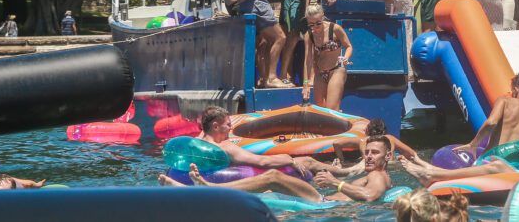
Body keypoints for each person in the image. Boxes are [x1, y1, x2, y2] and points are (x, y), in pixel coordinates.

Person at [169, 135, 393, 203]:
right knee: (269, 189)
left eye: (376, 153)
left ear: (388, 157)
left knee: (273, 177)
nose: (369, 156)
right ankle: (201, 189)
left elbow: (370, 195)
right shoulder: (373, 173)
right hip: (323, 198)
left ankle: (210, 188)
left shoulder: (379, 176)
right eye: (368, 151)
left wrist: (337, 182)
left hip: (322, 203)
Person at [159, 106, 309, 176]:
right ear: (216, 126)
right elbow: (263, 162)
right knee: (307, 161)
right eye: (229, 125)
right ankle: (333, 171)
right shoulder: (226, 147)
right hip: (235, 182)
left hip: (199, 183)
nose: (231, 128)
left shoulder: (194, 143)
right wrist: (290, 160)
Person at [466, 72, 519, 151]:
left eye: (512, 90)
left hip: (493, 158)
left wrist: (473, 144)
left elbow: (491, 122)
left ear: (516, 89)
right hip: (516, 163)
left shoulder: (504, 101)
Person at [302, 3, 352, 109]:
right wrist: (305, 84)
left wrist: (346, 57)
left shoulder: (335, 29)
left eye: (318, 23)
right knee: (321, 110)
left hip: (336, 70)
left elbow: (348, 46)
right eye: (311, 24)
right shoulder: (309, 35)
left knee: (332, 108)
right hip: (320, 73)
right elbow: (308, 60)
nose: (315, 27)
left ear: (322, 16)